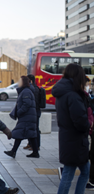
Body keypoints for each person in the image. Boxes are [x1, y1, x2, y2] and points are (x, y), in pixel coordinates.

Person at [52, 64, 90, 194]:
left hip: (68, 138)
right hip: (75, 141)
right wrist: (88, 125)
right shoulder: (73, 95)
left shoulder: (62, 93)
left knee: (81, 171)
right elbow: (80, 120)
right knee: (70, 173)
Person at [4, 76, 39, 159]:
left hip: (27, 116)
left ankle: (13, 151)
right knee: (31, 134)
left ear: (24, 82)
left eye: (20, 81)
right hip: (29, 116)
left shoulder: (26, 91)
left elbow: (27, 104)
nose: (18, 82)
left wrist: (19, 112)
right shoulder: (25, 91)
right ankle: (35, 152)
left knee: (19, 133)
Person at [23, 74, 41, 151]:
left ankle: (36, 146)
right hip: (33, 112)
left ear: (30, 80)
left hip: (35, 112)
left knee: (35, 129)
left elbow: (34, 102)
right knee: (31, 129)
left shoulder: (35, 90)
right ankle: (30, 144)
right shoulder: (32, 88)